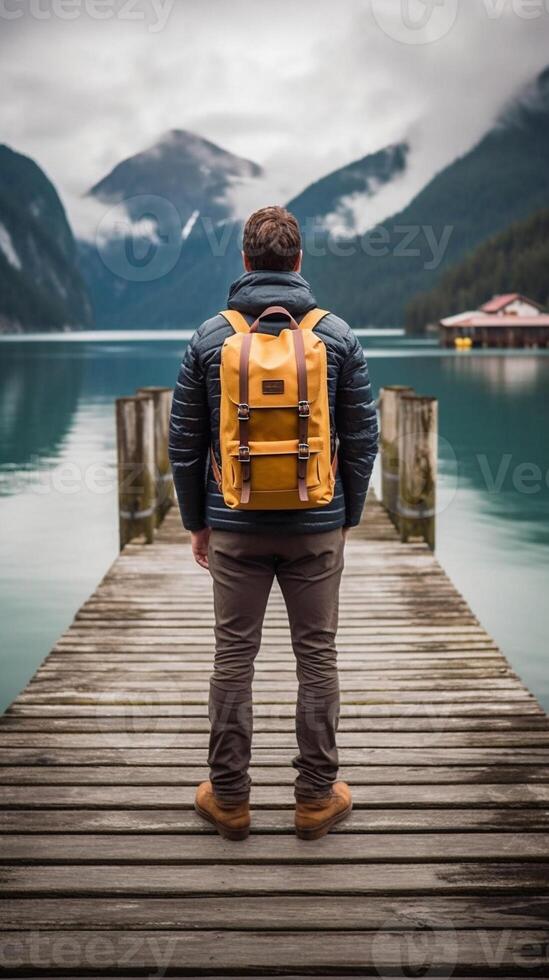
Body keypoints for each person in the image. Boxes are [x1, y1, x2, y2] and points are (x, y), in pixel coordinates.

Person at [169, 206, 378, 840]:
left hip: (234, 522)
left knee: (233, 656)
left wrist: (197, 523)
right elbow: (363, 439)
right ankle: (315, 798)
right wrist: (345, 517)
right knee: (316, 657)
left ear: (243, 262)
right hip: (317, 524)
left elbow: (184, 442)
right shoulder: (336, 335)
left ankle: (229, 798)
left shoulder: (211, 337)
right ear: (299, 262)